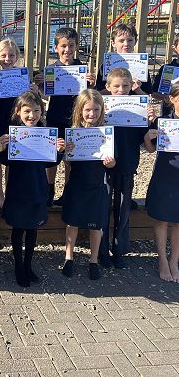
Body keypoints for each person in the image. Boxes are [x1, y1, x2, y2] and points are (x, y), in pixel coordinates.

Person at [0, 92, 65, 287]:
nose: (32, 115)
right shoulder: (12, 134)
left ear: (42, 112)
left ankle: (28, 265)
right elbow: (5, 161)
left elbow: (50, 163)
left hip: (37, 188)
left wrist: (59, 151)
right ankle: (19, 266)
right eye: (27, 111)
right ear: (18, 111)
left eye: (36, 111)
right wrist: (1, 148)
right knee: (18, 229)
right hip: (18, 190)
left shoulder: (45, 133)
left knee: (33, 229)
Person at [99, 68, 155, 269]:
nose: (121, 90)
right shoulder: (101, 108)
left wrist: (149, 121)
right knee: (103, 208)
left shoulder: (138, 110)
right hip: (105, 164)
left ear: (132, 86)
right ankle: (102, 250)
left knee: (123, 210)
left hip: (128, 164)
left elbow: (146, 142)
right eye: (116, 86)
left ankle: (119, 250)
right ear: (108, 87)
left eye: (125, 86)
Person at [34, 27, 95, 206]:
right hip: (55, 116)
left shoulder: (82, 69)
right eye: (63, 46)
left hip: (76, 119)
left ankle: (68, 191)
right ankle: (49, 190)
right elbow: (45, 95)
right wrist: (40, 86)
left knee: (70, 156)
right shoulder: (51, 69)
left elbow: (89, 95)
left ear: (76, 47)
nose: (67, 49)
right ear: (56, 48)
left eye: (71, 45)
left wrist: (91, 84)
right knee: (52, 155)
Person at [61, 89, 116, 280]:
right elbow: (67, 162)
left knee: (96, 225)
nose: (92, 114)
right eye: (87, 110)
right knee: (72, 222)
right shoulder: (73, 133)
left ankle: (93, 260)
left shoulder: (107, 134)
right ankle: (69, 257)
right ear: (80, 110)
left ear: (102, 110)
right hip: (77, 184)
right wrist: (66, 151)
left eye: (96, 110)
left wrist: (111, 163)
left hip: (97, 186)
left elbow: (113, 164)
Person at [0, 38, 38, 208]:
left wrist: (35, 92)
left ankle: (10, 192)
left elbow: (30, 102)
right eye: (3, 55)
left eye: (11, 55)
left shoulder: (22, 76)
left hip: (17, 122)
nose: (7, 59)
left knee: (13, 157)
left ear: (17, 57)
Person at [144, 82, 179, 282]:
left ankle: (174, 261)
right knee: (162, 219)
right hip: (165, 175)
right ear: (172, 99)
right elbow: (150, 150)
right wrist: (148, 138)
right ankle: (162, 260)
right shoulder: (163, 122)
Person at [95, 23, 152, 94]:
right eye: (121, 41)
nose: (126, 44)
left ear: (135, 41)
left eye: (130, 40)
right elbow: (99, 93)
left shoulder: (142, 66)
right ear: (113, 43)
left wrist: (138, 90)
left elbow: (147, 95)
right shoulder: (106, 66)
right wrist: (113, 88)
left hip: (134, 101)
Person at [152, 33, 179, 116]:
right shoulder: (166, 69)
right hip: (169, 115)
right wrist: (165, 97)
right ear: (174, 48)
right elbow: (153, 92)